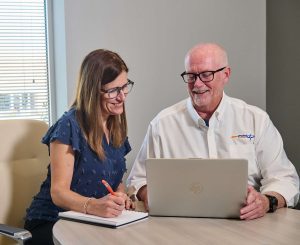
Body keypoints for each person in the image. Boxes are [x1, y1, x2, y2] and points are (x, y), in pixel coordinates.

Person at [127, 43, 299, 220]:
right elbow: (137, 180)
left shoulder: (255, 119)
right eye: (191, 76)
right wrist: (151, 196)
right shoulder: (162, 124)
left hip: (245, 225)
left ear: (226, 75)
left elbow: (285, 179)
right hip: (180, 224)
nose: (198, 84)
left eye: (206, 75)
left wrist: (265, 201)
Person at [24, 49, 135, 244]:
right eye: (113, 91)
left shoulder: (115, 124)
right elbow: (58, 193)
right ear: (93, 91)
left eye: (125, 86)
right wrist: (94, 206)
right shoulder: (69, 125)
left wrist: (120, 196)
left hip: (91, 222)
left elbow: (115, 179)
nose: (122, 97)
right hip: (52, 222)